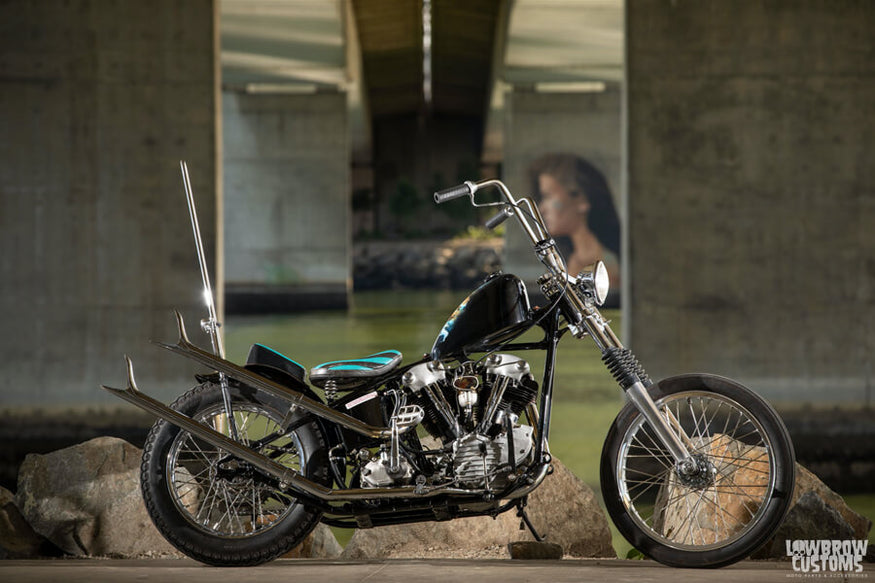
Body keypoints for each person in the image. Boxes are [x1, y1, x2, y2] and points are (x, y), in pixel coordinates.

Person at [529, 153, 621, 288]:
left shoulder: (606, 265)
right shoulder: (566, 259)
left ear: (581, 200)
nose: (542, 208)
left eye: (548, 196)